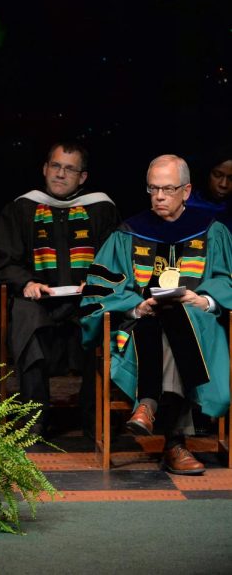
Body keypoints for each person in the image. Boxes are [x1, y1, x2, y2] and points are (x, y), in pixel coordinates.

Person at [80, 154, 232, 474]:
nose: (159, 197)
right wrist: (136, 305)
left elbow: (225, 279)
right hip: (139, 326)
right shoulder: (128, 233)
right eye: (153, 189)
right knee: (159, 318)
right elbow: (100, 288)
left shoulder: (212, 232)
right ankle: (175, 444)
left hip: (198, 324)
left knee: (177, 318)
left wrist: (205, 299)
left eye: (167, 189)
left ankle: (147, 405)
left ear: (187, 191)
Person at [0, 141, 120, 435]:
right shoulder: (22, 208)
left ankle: (93, 418)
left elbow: (116, 257)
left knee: (104, 314)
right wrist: (27, 283)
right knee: (25, 315)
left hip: (85, 300)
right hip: (40, 301)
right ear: (45, 168)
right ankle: (35, 420)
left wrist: (97, 281)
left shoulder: (101, 208)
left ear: (82, 177)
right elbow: (3, 261)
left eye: (70, 169)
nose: (61, 174)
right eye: (56, 166)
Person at [185, 149, 232, 216]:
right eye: (217, 175)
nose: (223, 184)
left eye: (231, 179)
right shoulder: (186, 202)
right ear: (207, 174)